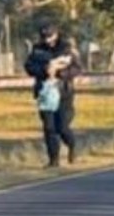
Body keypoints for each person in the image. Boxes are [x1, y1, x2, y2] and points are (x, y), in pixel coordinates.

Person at [25, 24, 82, 168]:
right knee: (49, 128)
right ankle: (53, 160)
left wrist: (60, 73)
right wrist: (44, 70)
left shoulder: (66, 48)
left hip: (63, 92)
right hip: (45, 93)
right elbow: (29, 67)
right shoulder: (37, 49)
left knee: (62, 127)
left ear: (56, 34)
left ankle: (72, 146)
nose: (47, 40)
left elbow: (77, 69)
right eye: (44, 37)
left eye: (49, 36)